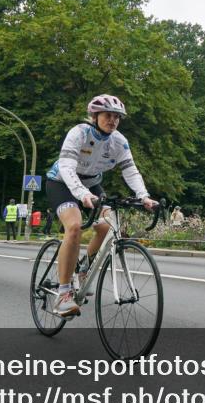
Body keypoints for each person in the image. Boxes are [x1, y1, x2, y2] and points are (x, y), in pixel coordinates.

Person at [45, 94, 157, 317]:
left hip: (93, 184)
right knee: (75, 226)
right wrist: (82, 194)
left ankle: (83, 269)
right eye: (108, 116)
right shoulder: (79, 133)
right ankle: (63, 294)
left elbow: (130, 170)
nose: (113, 121)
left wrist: (143, 196)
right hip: (62, 183)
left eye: (117, 117)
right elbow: (66, 167)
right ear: (95, 116)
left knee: (108, 226)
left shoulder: (119, 141)